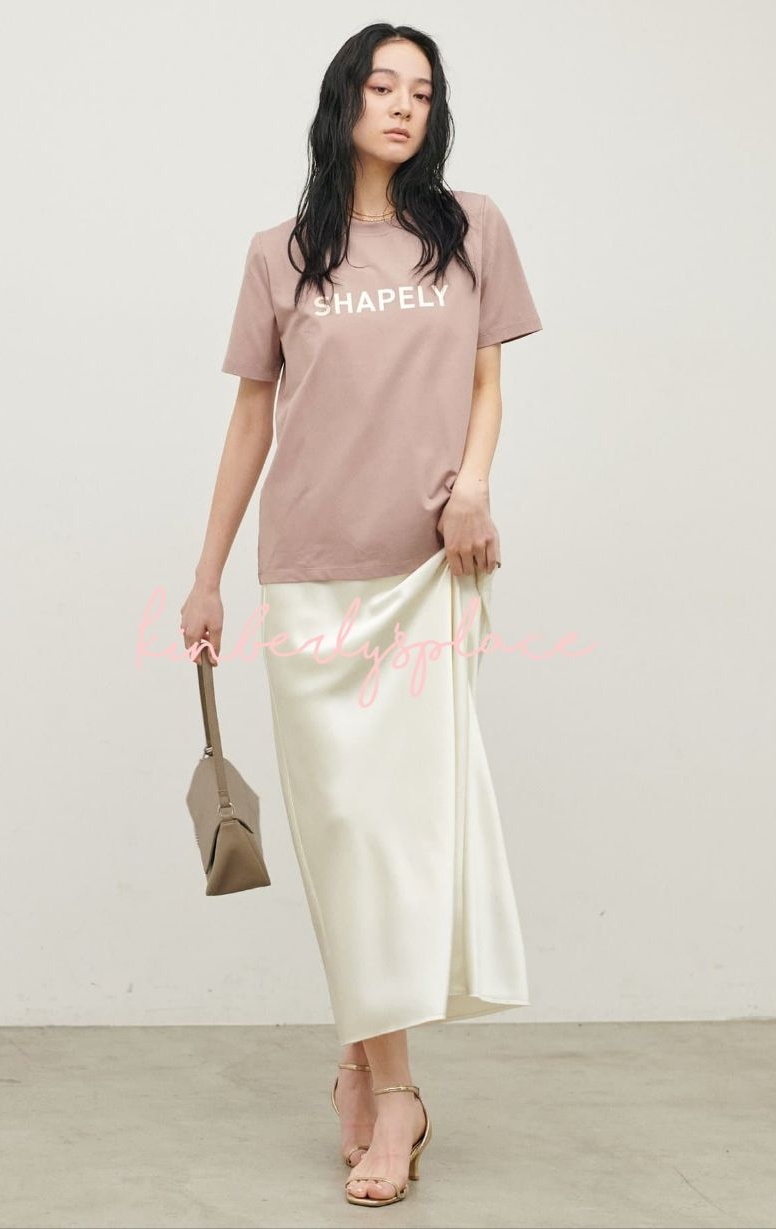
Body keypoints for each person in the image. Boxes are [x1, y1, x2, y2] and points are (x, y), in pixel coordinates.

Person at [180, 22, 543, 1209]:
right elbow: (252, 417)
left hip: (430, 571)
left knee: (402, 835)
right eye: (382, 86)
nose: (402, 106)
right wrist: (206, 574)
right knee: (344, 834)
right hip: (308, 571)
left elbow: (487, 382)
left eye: (421, 92)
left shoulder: (471, 227)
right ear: (343, 101)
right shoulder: (279, 252)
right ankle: (379, 1071)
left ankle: (388, 1088)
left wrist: (473, 488)